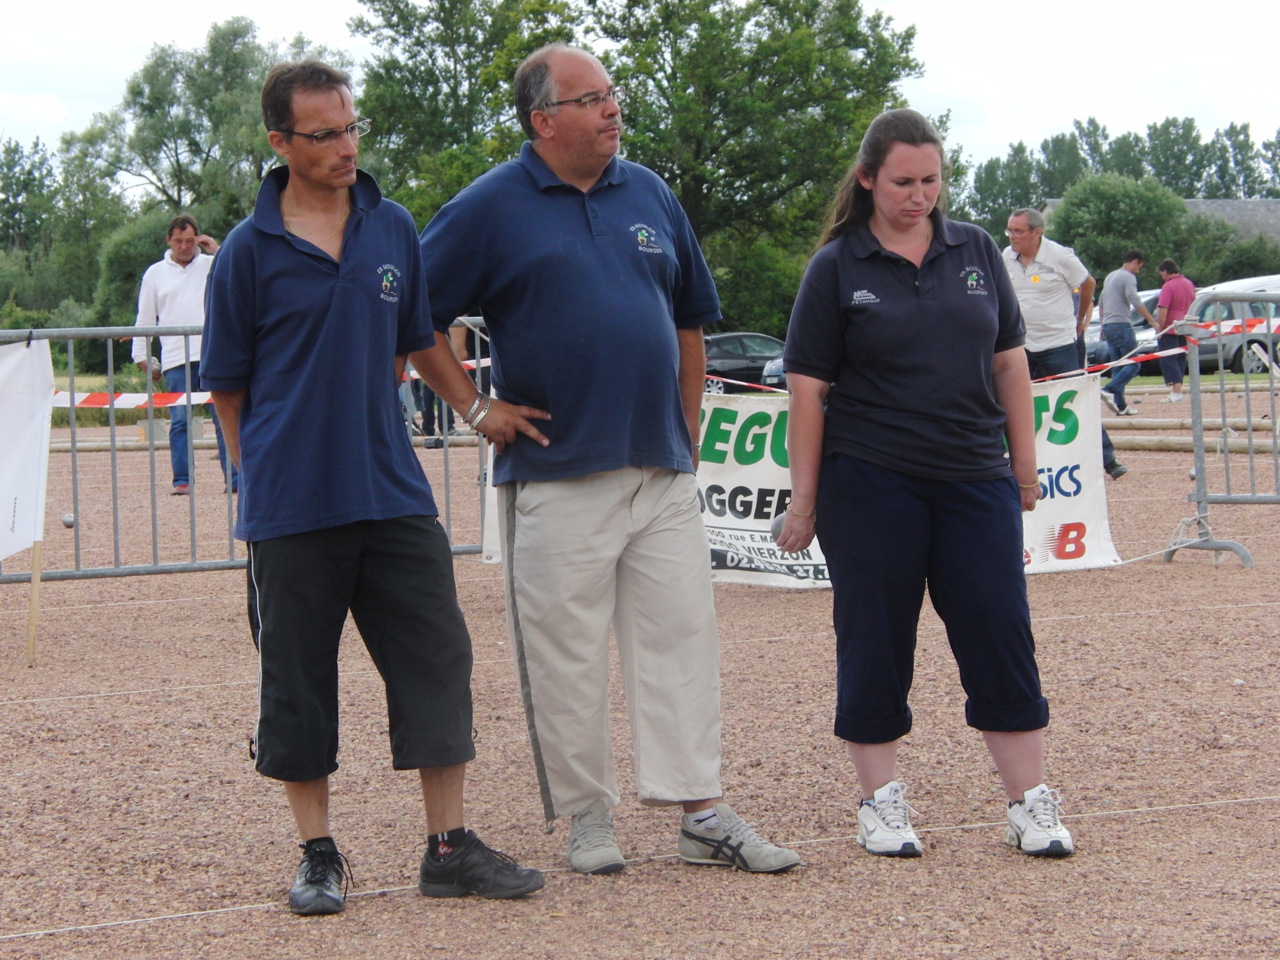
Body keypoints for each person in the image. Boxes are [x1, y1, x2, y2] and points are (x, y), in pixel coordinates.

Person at [417, 43, 800, 877]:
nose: (612, 110)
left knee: (682, 639)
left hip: (659, 466)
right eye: (592, 99)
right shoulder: (490, 205)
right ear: (543, 120)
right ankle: (589, 815)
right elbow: (415, 314)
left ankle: (701, 811)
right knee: (566, 651)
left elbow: (691, 319)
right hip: (556, 471)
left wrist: (687, 427)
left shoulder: (651, 193)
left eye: (613, 94)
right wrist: (475, 406)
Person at [201, 59, 547, 916]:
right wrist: (258, 479)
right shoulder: (246, 251)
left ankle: (448, 846)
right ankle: (317, 853)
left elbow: (412, 340)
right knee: (297, 680)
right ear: (280, 142)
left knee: (437, 660)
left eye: (352, 127)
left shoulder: (391, 227)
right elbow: (228, 387)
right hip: (291, 505)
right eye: (323, 133)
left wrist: (471, 408)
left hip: (391, 491)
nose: (346, 146)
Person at [778, 109, 1073, 860]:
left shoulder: (975, 248)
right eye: (903, 182)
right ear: (869, 178)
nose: (919, 196)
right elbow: (807, 389)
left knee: (999, 629)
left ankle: (1028, 802)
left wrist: (1024, 462)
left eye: (932, 181)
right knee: (876, 635)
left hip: (974, 476)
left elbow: (1011, 362)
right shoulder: (836, 267)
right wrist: (804, 500)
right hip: (870, 479)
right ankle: (880, 802)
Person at [1004, 208, 1126, 479]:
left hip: (1058, 343)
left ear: (1037, 232)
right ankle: (1021, 461)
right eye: (1009, 230)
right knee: (1015, 401)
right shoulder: (1006, 257)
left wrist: (1081, 318)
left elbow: (1088, 283)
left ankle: (1108, 459)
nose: (1012, 236)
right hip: (1021, 344)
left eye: (1018, 231)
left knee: (1074, 399)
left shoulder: (1060, 256)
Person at [131, 215, 238, 495]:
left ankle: (236, 479)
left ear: (198, 240)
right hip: (175, 358)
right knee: (179, 420)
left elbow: (239, 275)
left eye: (189, 241)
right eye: (178, 241)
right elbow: (145, 317)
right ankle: (182, 479)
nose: (184, 246)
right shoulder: (155, 273)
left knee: (223, 416)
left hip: (213, 352)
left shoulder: (212, 264)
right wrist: (141, 355)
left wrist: (218, 250)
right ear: (169, 240)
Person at [1098, 251, 1157, 415]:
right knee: (1134, 363)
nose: (1138, 270)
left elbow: (1102, 302)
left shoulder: (1110, 276)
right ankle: (1109, 389)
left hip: (1109, 325)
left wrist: (1103, 325)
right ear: (1135, 262)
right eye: (1139, 266)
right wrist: (1152, 322)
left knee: (1118, 365)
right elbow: (1134, 299)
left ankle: (1121, 405)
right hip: (1122, 324)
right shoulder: (1128, 277)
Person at [1155, 259, 1196, 402]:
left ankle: (1176, 391)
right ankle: (1178, 389)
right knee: (1180, 358)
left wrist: (1160, 327)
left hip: (1171, 327)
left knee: (1169, 358)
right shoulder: (1189, 284)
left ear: (1166, 271)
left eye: (1162, 274)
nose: (1162, 277)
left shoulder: (1168, 286)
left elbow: (1163, 309)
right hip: (1186, 326)